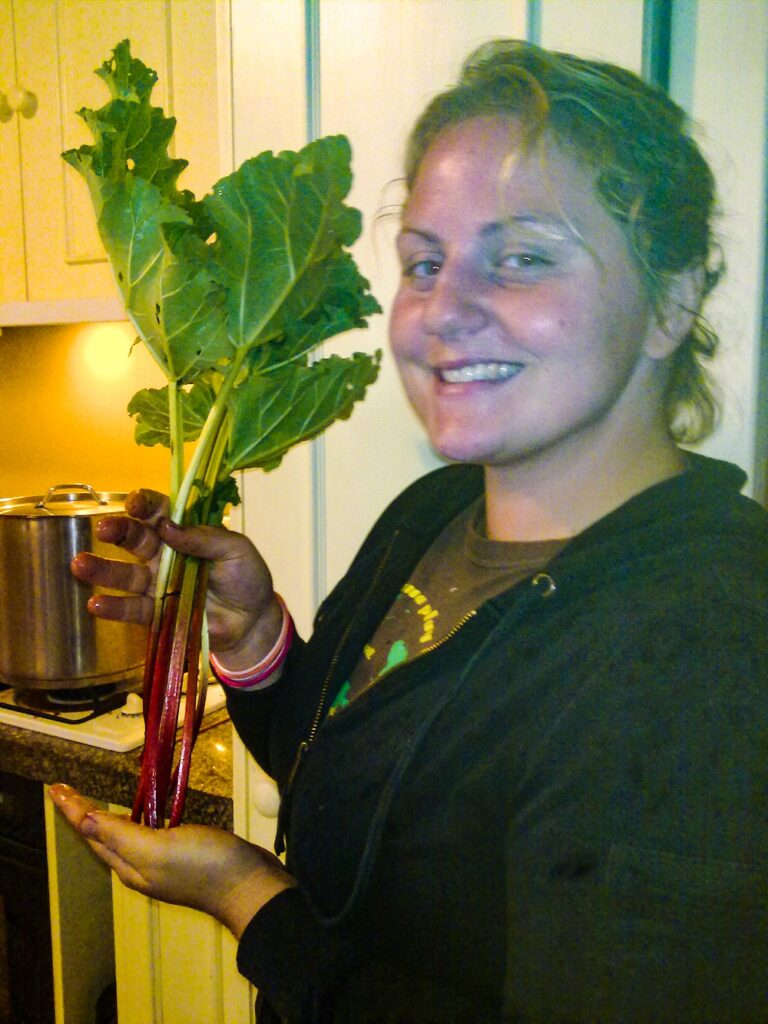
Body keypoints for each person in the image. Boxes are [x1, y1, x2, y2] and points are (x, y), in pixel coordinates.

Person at [49, 39, 768, 1023]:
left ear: (672, 301)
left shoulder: (707, 648)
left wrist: (251, 901)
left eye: (520, 257)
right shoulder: (433, 514)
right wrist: (255, 641)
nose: (441, 310)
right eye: (424, 261)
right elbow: (346, 771)